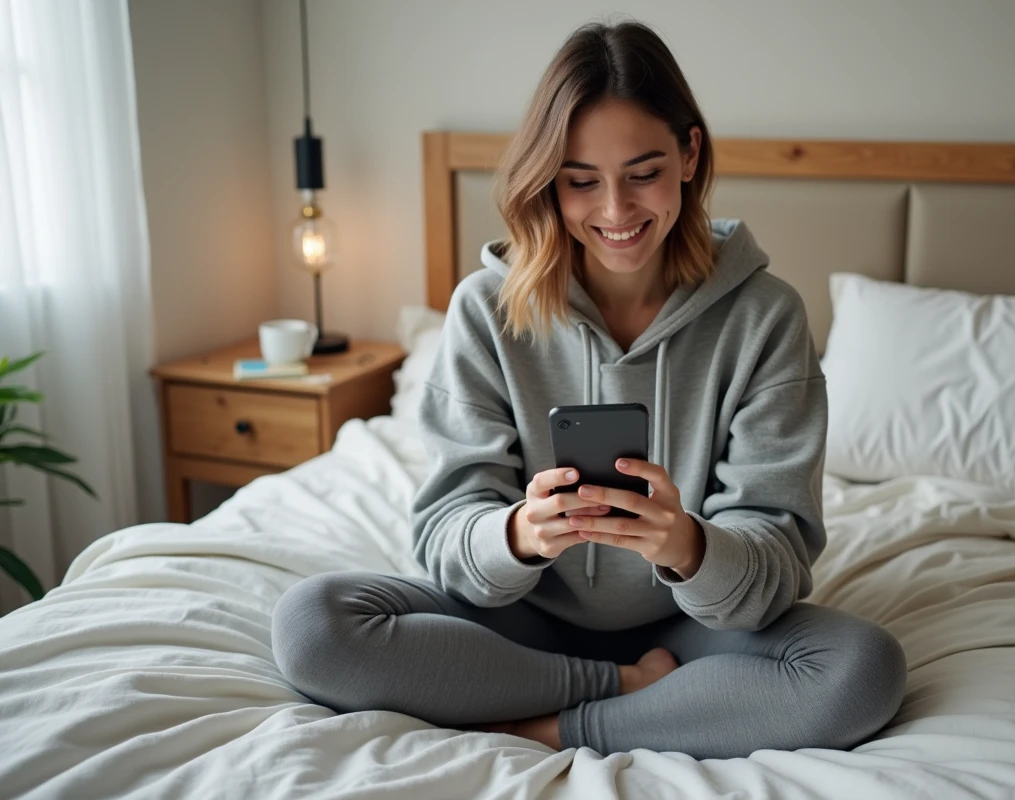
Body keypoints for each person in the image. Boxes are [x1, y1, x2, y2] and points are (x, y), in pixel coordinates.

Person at [272, 19, 906, 761]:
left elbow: (777, 563)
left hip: (695, 628)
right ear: (549, 179)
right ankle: (625, 690)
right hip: (523, 622)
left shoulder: (765, 318)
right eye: (581, 181)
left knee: (861, 670)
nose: (615, 211)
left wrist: (688, 545)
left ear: (689, 154)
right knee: (313, 626)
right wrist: (518, 534)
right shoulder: (487, 310)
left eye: (643, 173)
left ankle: (552, 726)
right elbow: (446, 536)